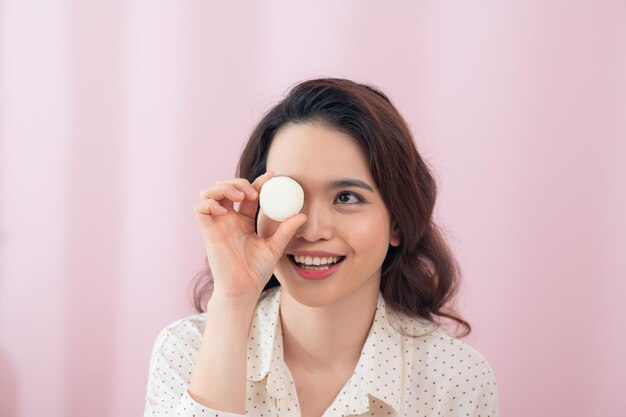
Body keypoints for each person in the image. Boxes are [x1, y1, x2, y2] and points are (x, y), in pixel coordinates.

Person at [143, 78, 500, 417]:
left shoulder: (455, 380)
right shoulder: (186, 350)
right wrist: (233, 299)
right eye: (288, 194)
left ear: (397, 222)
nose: (311, 230)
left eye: (347, 197)